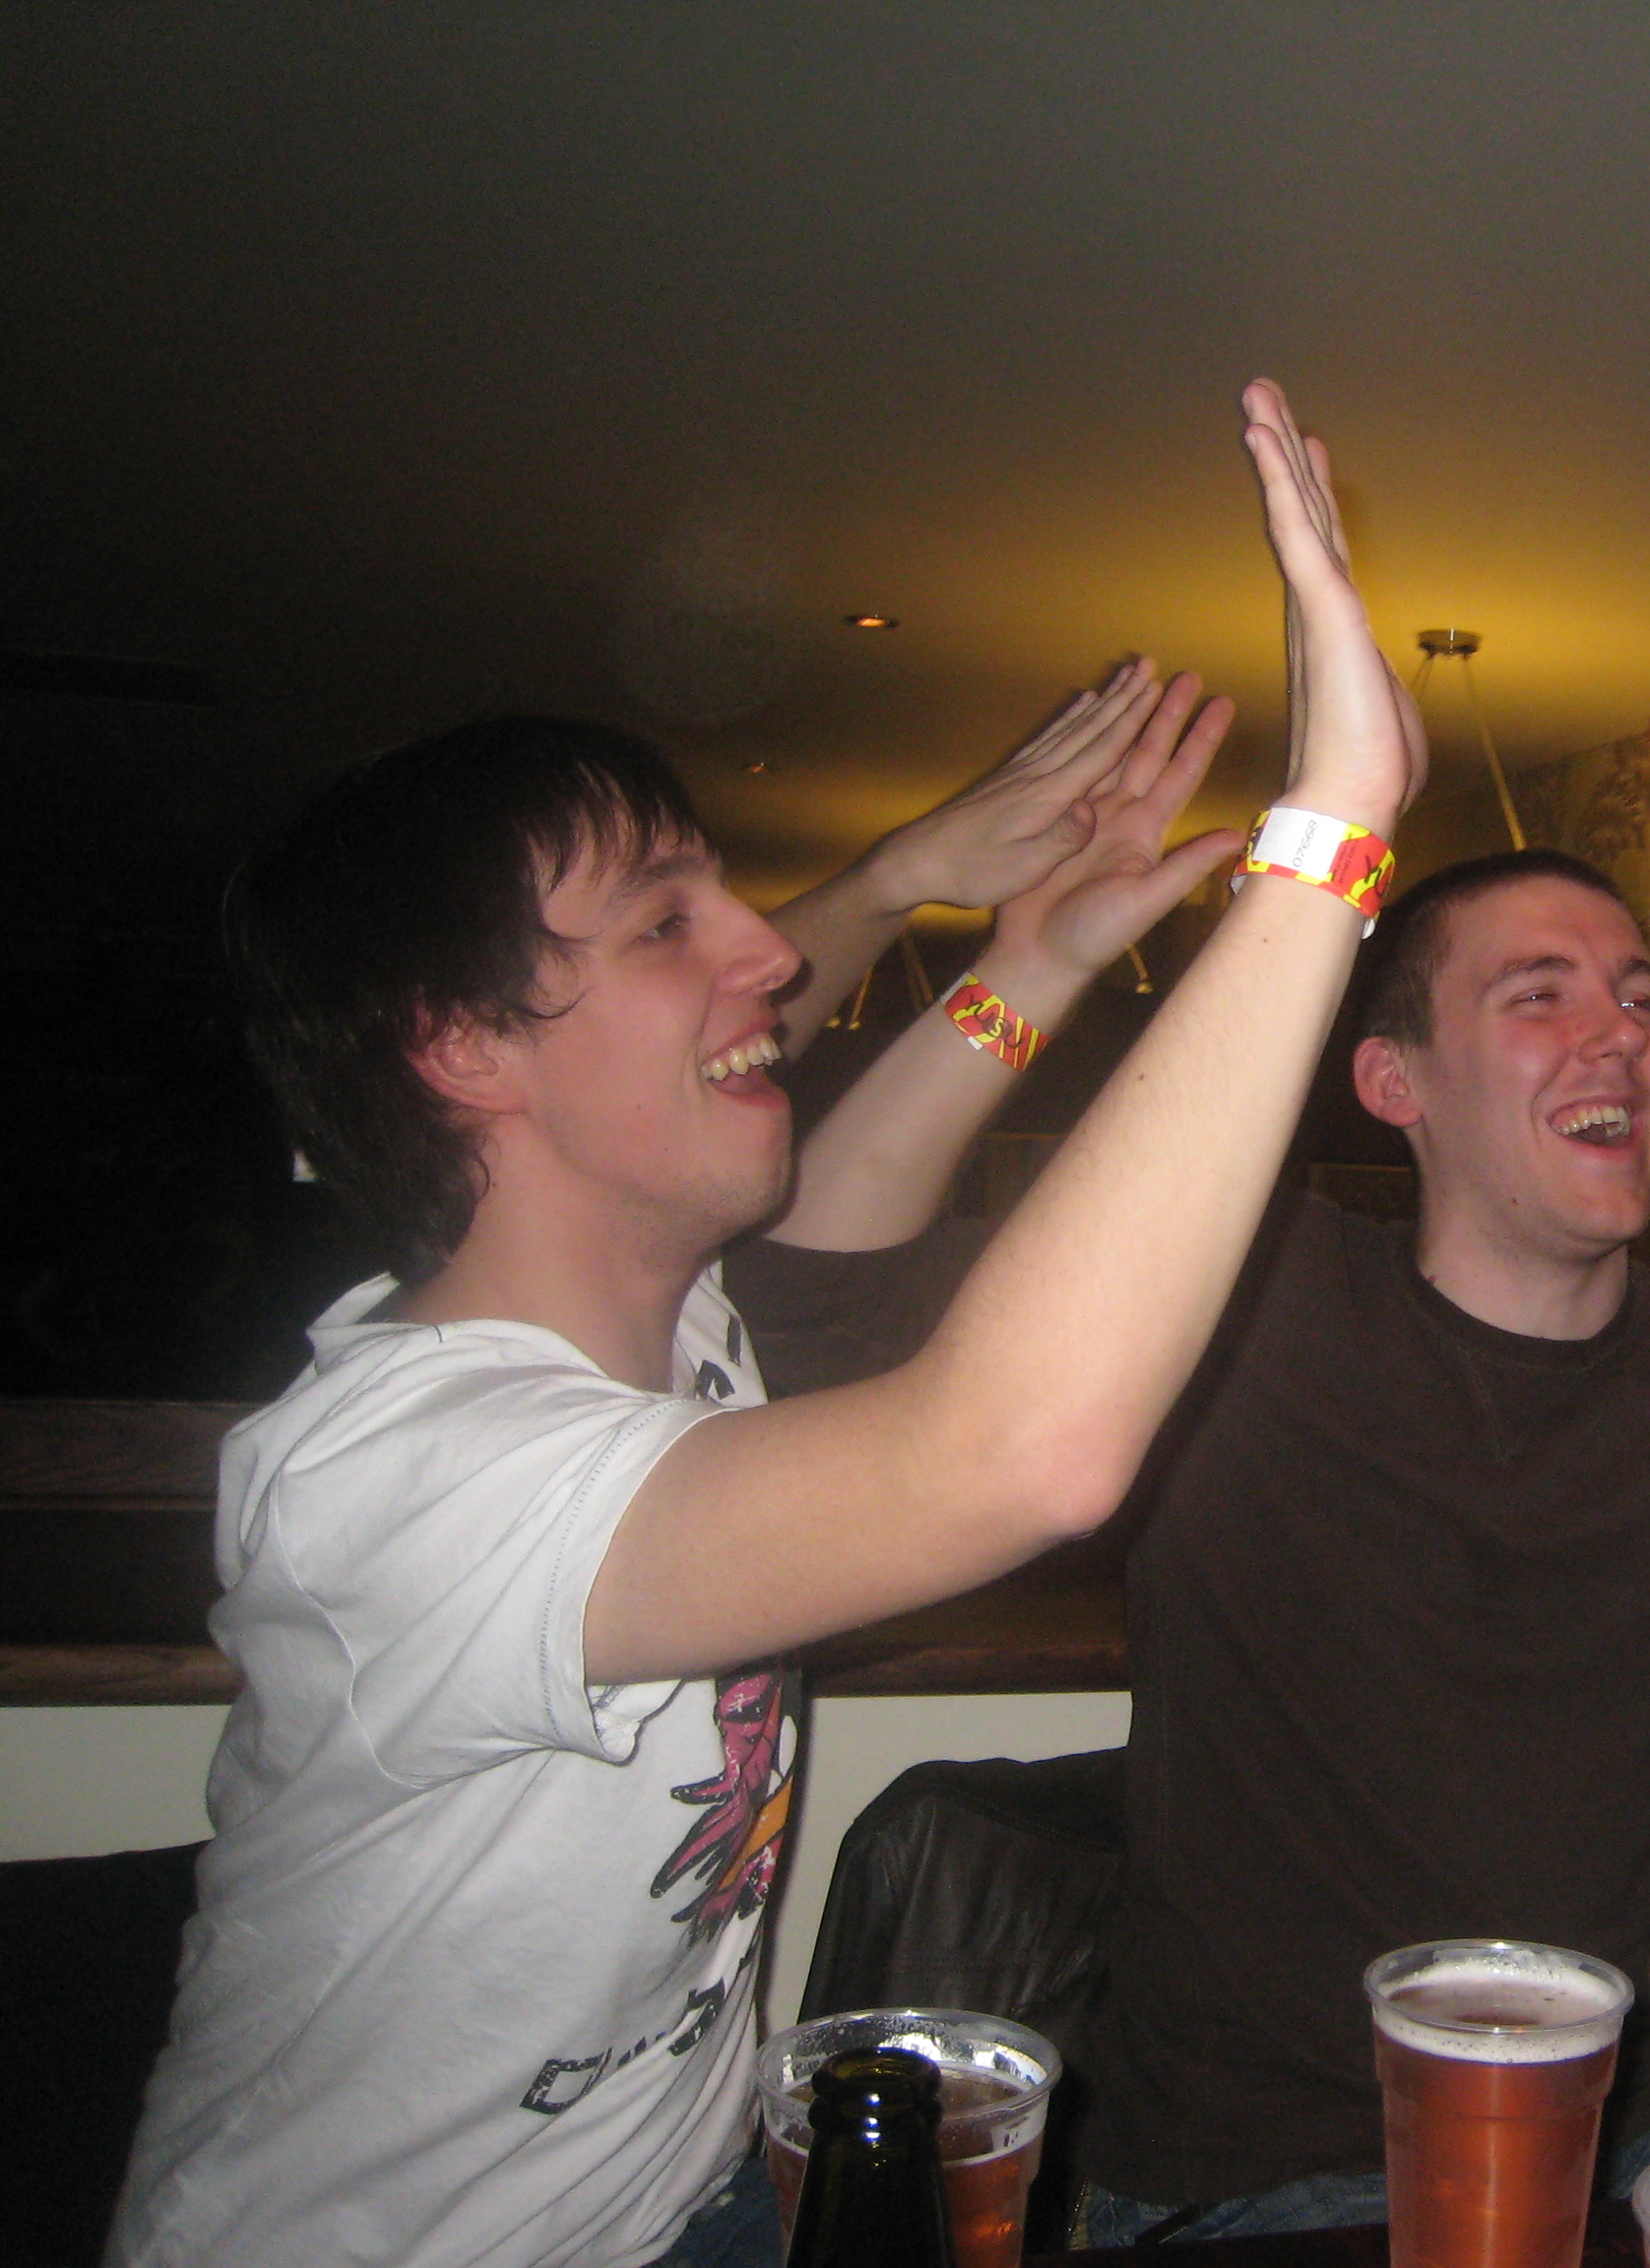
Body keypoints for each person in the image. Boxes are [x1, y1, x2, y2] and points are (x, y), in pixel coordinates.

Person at [110, 375, 1427, 2268]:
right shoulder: (403, 1479)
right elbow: (1016, 1450)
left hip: (690, 2205)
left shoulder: (678, 1330)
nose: (765, 948)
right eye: (667, 922)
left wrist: (1020, 945)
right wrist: (1328, 843)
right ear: (458, 1046)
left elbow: (844, 1168)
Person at [729, 848, 1650, 2249]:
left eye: (1642, 1000)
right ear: (1396, 1083)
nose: (1620, 1035)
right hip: (1250, 2178)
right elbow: (807, 1297)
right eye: (1541, 995)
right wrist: (1025, 971)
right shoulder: (1244, 1306)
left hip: (1608, 2128)